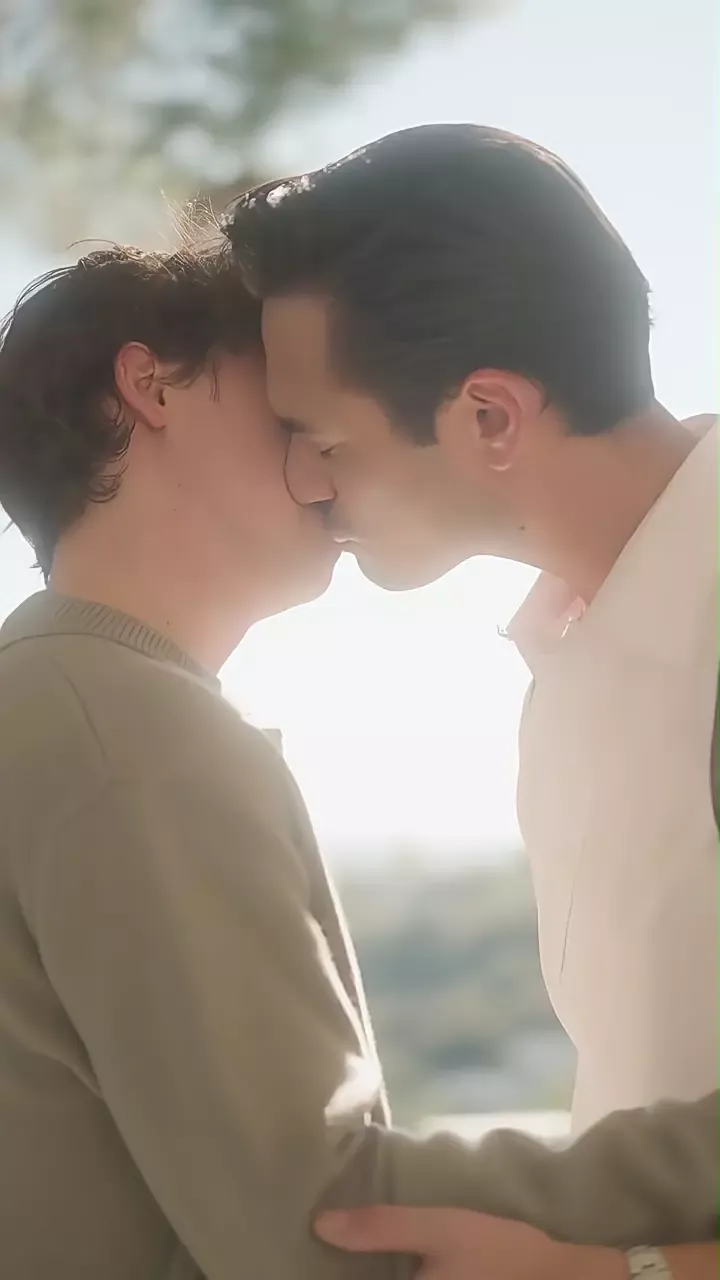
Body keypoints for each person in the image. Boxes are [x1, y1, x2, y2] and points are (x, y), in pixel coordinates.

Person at [0, 240, 715, 1280]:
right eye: (286, 414)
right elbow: (326, 1219)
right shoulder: (118, 728)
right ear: (152, 388)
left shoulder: (61, 698)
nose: (323, 468)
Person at [223, 124, 718, 1272]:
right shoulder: (567, 662)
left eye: (320, 437)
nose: (301, 478)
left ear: (489, 416)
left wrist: (615, 1266)